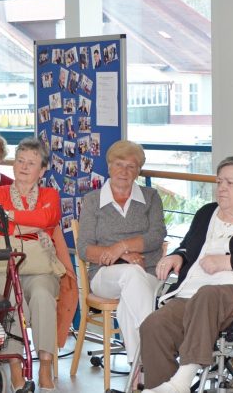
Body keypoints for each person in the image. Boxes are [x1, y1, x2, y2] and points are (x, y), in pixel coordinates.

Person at [140, 156, 233, 393]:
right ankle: (162, 388)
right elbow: (188, 246)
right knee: (154, 325)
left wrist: (228, 262)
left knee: (207, 295)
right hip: (190, 294)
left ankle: (181, 382)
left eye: (230, 183)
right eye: (219, 181)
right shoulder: (207, 213)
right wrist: (177, 256)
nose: (222, 188)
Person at [0, 137, 77, 393]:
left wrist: (7, 216)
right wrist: (34, 226)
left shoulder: (50, 194)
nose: (24, 166)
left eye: (31, 163)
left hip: (38, 264)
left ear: (42, 171)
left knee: (42, 295)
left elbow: (47, 217)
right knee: (11, 297)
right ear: (13, 164)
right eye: (20, 160)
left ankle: (45, 366)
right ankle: (15, 366)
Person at [77, 140, 166, 365]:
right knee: (131, 273)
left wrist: (121, 245)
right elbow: (85, 248)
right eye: (119, 164)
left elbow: (157, 236)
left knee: (129, 299)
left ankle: (139, 370)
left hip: (148, 273)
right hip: (104, 275)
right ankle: (154, 350)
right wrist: (121, 255)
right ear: (109, 166)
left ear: (138, 171)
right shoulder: (93, 200)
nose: (124, 171)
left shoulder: (151, 197)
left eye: (131, 166)